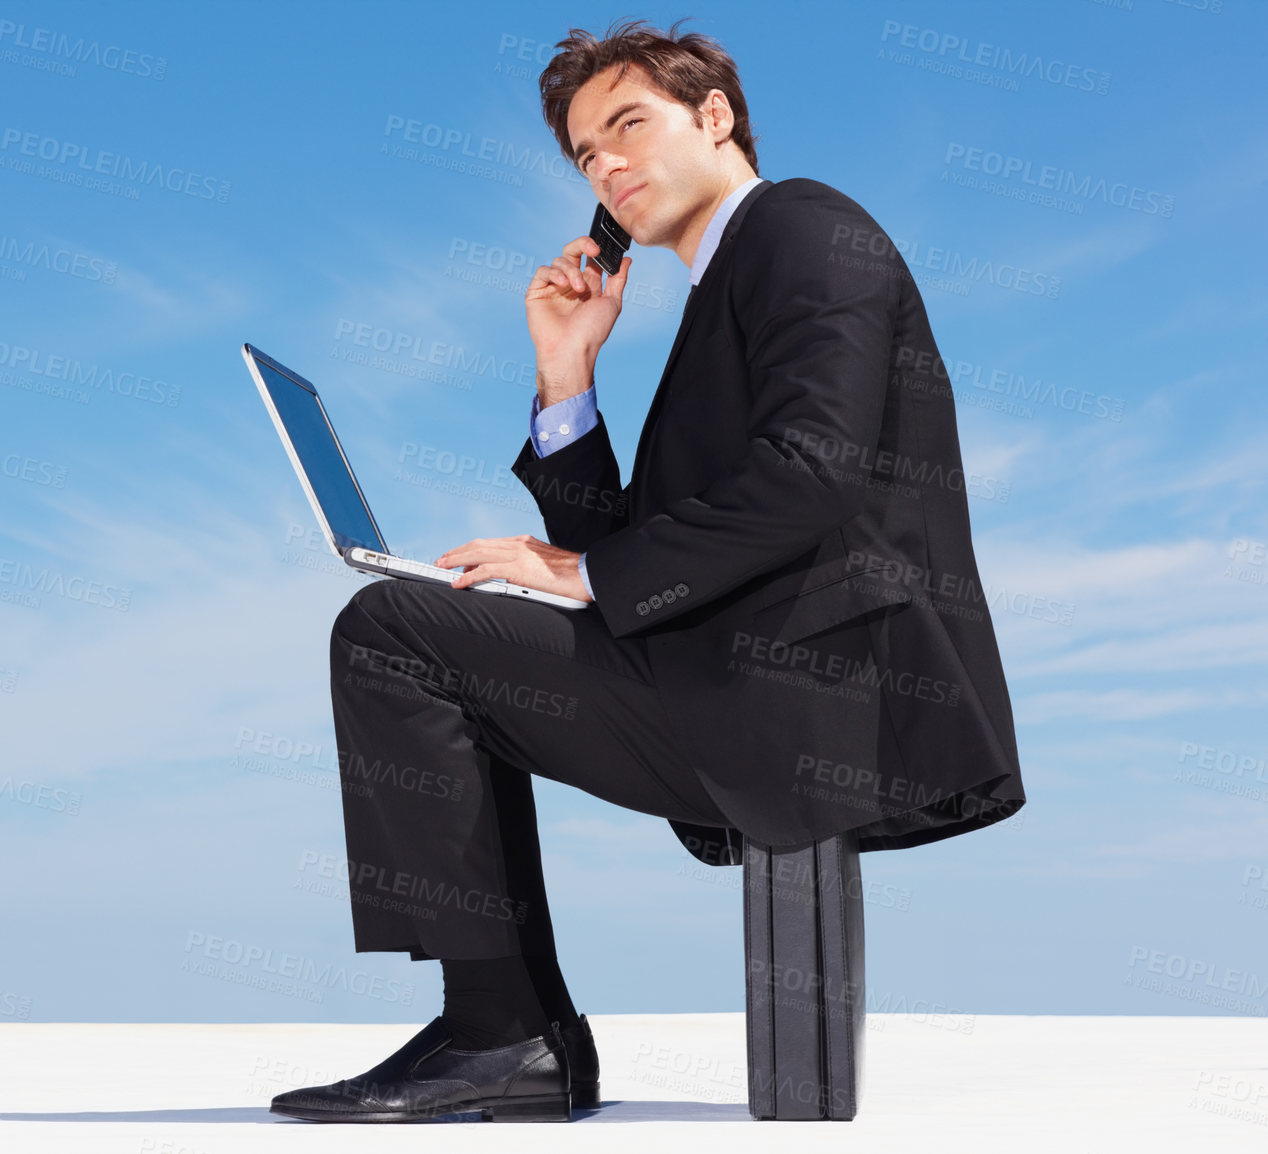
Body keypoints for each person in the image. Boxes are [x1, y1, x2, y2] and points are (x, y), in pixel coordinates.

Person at [270, 16, 1024, 1124]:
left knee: (397, 631)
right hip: (736, 671)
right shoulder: (722, 289)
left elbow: (809, 475)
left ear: (714, 117)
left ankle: (500, 1031)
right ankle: (505, 1031)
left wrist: (577, 575)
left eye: (628, 125)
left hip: (820, 689)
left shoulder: (803, 226)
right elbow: (641, 533)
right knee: (422, 633)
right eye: (584, 154)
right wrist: (566, 375)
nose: (606, 165)